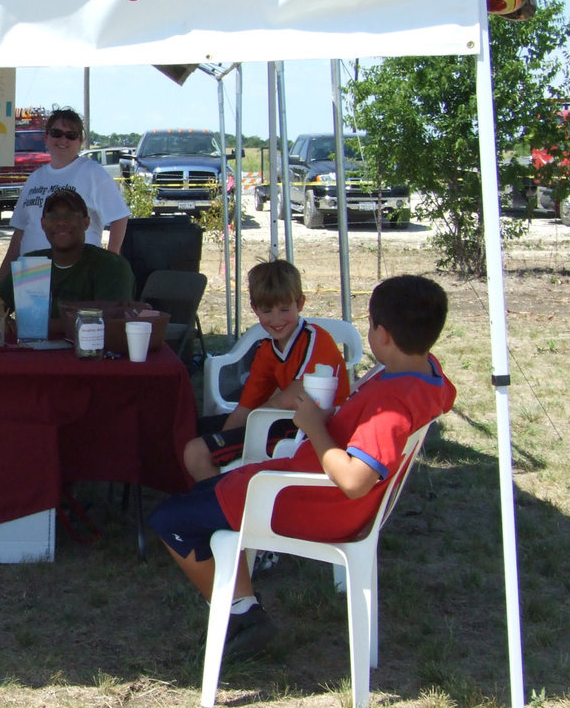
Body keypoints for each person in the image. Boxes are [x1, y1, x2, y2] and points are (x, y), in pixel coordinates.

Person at [149, 274, 456, 656]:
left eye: (371, 325)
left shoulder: (390, 404)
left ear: (383, 336)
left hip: (309, 502)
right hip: (303, 488)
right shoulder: (428, 376)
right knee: (203, 494)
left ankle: (241, 613)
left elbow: (355, 480)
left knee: (171, 519)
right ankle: (243, 609)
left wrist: (313, 426)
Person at [182, 259, 350, 482]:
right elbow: (245, 408)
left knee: (196, 452)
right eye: (267, 310)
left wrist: (258, 415)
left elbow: (298, 395)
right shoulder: (267, 349)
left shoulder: (315, 339)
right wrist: (225, 438)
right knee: (188, 430)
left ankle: (222, 506)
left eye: (284, 309)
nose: (276, 319)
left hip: (317, 431)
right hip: (288, 422)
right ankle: (211, 495)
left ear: (300, 304)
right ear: (254, 309)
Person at [0, 107, 130, 290]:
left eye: (71, 135)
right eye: (57, 133)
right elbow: (20, 231)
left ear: (80, 141)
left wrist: (111, 260)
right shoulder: (35, 178)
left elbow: (120, 217)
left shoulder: (92, 172)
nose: (63, 140)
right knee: (29, 320)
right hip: (30, 274)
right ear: (46, 138)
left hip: (74, 273)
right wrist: (2, 273)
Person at [0, 188, 135, 316]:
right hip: (31, 345)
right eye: (53, 216)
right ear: (43, 224)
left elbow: (107, 326)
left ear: (86, 222)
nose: (61, 222)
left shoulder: (110, 266)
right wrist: (2, 322)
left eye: (70, 215)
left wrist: (26, 328)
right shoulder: (31, 265)